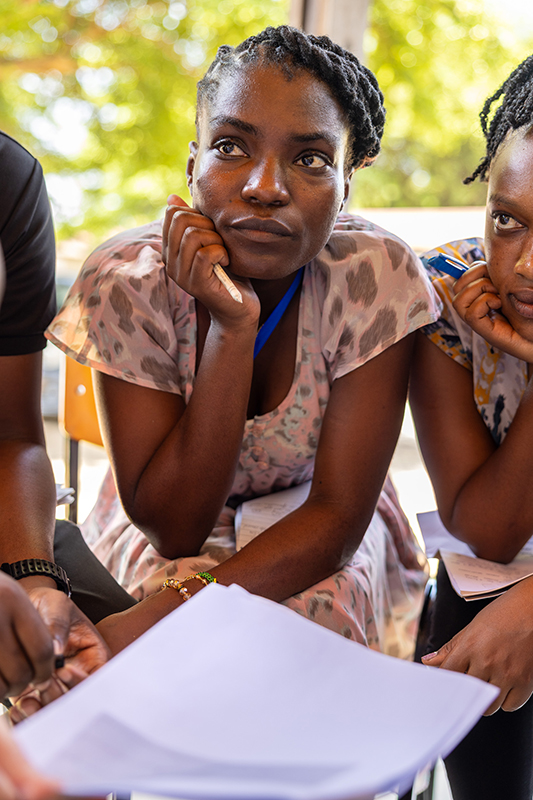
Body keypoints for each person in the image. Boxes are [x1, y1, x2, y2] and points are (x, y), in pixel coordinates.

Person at [45, 25, 439, 660]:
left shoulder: (376, 276)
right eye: (231, 146)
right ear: (193, 162)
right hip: (158, 518)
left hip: (318, 518)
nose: (264, 186)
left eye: (311, 159)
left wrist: (168, 614)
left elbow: (337, 520)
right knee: (151, 641)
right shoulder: (126, 280)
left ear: (347, 188)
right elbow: (176, 529)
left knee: (311, 626)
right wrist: (231, 328)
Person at [409, 53, 533, 800]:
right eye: (507, 221)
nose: (525, 267)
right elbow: (485, 531)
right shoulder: (454, 299)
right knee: (470, 618)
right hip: (498, 567)